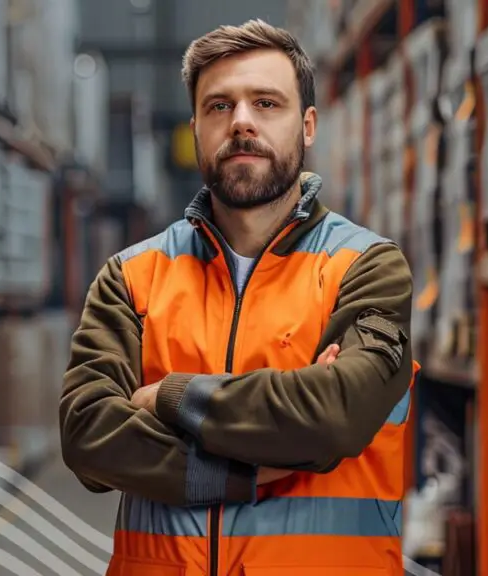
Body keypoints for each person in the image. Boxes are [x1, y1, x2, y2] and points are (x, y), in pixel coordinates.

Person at [59, 18, 419, 576]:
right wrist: (242, 471)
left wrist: (168, 398)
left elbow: (335, 417)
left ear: (308, 126)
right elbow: (88, 435)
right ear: (197, 127)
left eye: (267, 103)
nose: (242, 122)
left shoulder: (367, 267)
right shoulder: (132, 275)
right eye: (219, 107)